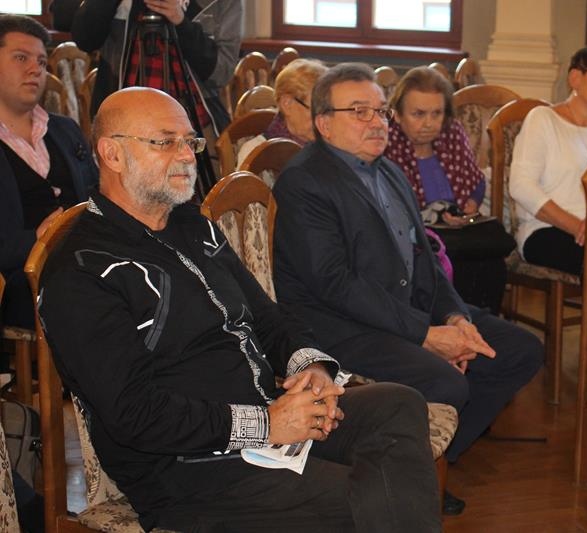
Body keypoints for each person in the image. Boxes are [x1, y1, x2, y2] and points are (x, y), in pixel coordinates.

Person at [38, 87, 440, 532]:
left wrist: (310, 368)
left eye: (190, 141)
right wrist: (266, 425)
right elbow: (135, 414)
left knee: (397, 405)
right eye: (165, 141)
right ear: (112, 153)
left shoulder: (192, 225)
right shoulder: (81, 270)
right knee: (374, 494)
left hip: (269, 418)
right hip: (188, 470)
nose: (186, 156)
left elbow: (266, 317)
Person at [272, 63, 543, 512]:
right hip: (340, 326)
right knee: (448, 383)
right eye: (359, 111)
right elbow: (335, 284)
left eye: (381, 111)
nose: (377, 122)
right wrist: (426, 335)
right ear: (324, 123)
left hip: (402, 310)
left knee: (519, 351)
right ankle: (412, 474)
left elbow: (425, 259)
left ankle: (428, 460)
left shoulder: (390, 171)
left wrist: (455, 317)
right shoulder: (305, 181)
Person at [384, 66, 514, 314]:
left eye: (437, 114)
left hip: (460, 233)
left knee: (491, 263)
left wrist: (470, 206)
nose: (428, 123)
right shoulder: (386, 145)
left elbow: (475, 181)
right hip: (417, 239)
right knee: (453, 262)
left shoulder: (452, 135)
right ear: (398, 115)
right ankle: (453, 323)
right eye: (418, 114)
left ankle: (481, 324)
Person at [0, 14, 98, 330]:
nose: (35, 69)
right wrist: (38, 239)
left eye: (41, 61)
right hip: (20, 280)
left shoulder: (65, 130)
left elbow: (98, 196)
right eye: (21, 58)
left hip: (89, 261)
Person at [509, 43, 587, 276]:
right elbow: (521, 186)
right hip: (545, 230)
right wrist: (578, 226)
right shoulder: (543, 119)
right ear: (575, 78)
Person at [69, 0, 241, 135]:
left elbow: (222, 72)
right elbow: (84, 39)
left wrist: (181, 22)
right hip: (123, 119)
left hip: (194, 122)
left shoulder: (220, 3)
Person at [236, 58, 328, 168]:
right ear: (287, 104)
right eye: (316, 111)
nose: (324, 121)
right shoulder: (255, 153)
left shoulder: (329, 146)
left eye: (328, 111)